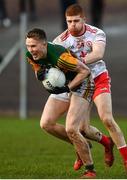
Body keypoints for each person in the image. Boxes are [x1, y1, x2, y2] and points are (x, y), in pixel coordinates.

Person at [53, 4, 127, 175]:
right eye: (69, 21)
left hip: (98, 79)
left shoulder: (96, 33)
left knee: (106, 118)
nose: (73, 24)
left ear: (84, 19)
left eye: (76, 20)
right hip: (80, 84)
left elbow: (98, 54)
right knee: (82, 128)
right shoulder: (60, 41)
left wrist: (74, 62)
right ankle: (106, 143)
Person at [25, 28, 97, 178]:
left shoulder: (61, 57)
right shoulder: (31, 55)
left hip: (82, 83)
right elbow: (38, 69)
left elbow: (85, 71)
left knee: (71, 128)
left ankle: (90, 171)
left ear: (44, 45)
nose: (30, 50)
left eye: (33, 46)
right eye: (28, 46)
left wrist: (67, 88)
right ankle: (80, 144)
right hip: (65, 83)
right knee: (46, 123)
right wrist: (39, 73)